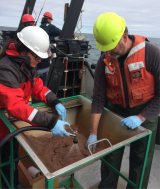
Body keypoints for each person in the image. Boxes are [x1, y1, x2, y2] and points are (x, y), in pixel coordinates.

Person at [87, 12, 160, 189]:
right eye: (105, 48)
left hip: (146, 112)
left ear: (124, 37)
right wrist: (93, 132)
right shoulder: (104, 60)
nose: (108, 52)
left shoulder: (151, 53)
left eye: (111, 47)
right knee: (110, 156)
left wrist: (141, 117)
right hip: (115, 112)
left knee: (140, 161)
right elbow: (98, 98)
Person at [0, 26, 70, 189]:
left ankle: (14, 183)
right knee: (5, 160)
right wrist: (51, 122)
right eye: (37, 56)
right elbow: (15, 106)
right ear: (25, 50)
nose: (40, 60)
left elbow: (38, 88)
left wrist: (55, 101)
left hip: (12, 126)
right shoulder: (6, 69)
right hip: (2, 126)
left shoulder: (27, 65)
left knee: (12, 156)